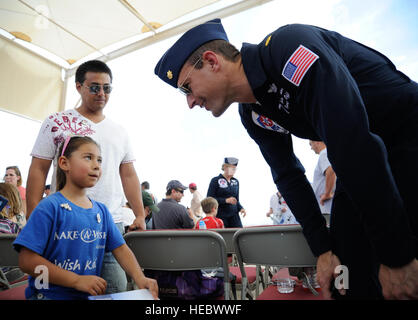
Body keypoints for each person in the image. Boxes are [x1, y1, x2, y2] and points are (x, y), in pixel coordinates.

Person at [153, 19, 418, 299]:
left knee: (401, 268)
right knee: (345, 278)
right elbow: (287, 174)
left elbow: (350, 140)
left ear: (211, 61)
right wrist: (323, 250)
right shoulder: (253, 114)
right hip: (362, 162)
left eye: (186, 88)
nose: (190, 102)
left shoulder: (289, 49)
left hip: (406, 136)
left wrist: (396, 258)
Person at [26, 60, 146, 294]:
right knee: (60, 288)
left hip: (109, 223)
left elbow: (129, 174)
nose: (101, 93)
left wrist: (140, 213)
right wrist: (32, 212)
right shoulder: (57, 123)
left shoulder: (119, 131)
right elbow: (38, 168)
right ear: (79, 87)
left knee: (114, 290)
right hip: (63, 221)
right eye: (94, 87)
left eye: (107, 88)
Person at [13, 136, 158, 300]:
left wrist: (140, 278)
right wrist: (75, 280)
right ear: (64, 163)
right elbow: (26, 260)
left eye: (100, 160)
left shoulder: (102, 211)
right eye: (88, 157)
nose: (96, 165)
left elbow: (121, 249)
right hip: (46, 295)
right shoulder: (49, 207)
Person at [206, 157, 246, 228]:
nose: (233, 171)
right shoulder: (215, 180)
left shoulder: (236, 182)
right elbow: (209, 199)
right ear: (224, 167)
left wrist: (241, 208)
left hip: (234, 216)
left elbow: (236, 199)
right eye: (231, 168)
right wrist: (225, 200)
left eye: (234, 169)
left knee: (240, 235)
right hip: (221, 215)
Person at [309, 140, 336, 225]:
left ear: (317, 142)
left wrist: (327, 193)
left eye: (311, 144)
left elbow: (331, 171)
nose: (311, 148)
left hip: (326, 209)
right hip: (327, 209)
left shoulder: (324, 153)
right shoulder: (328, 153)